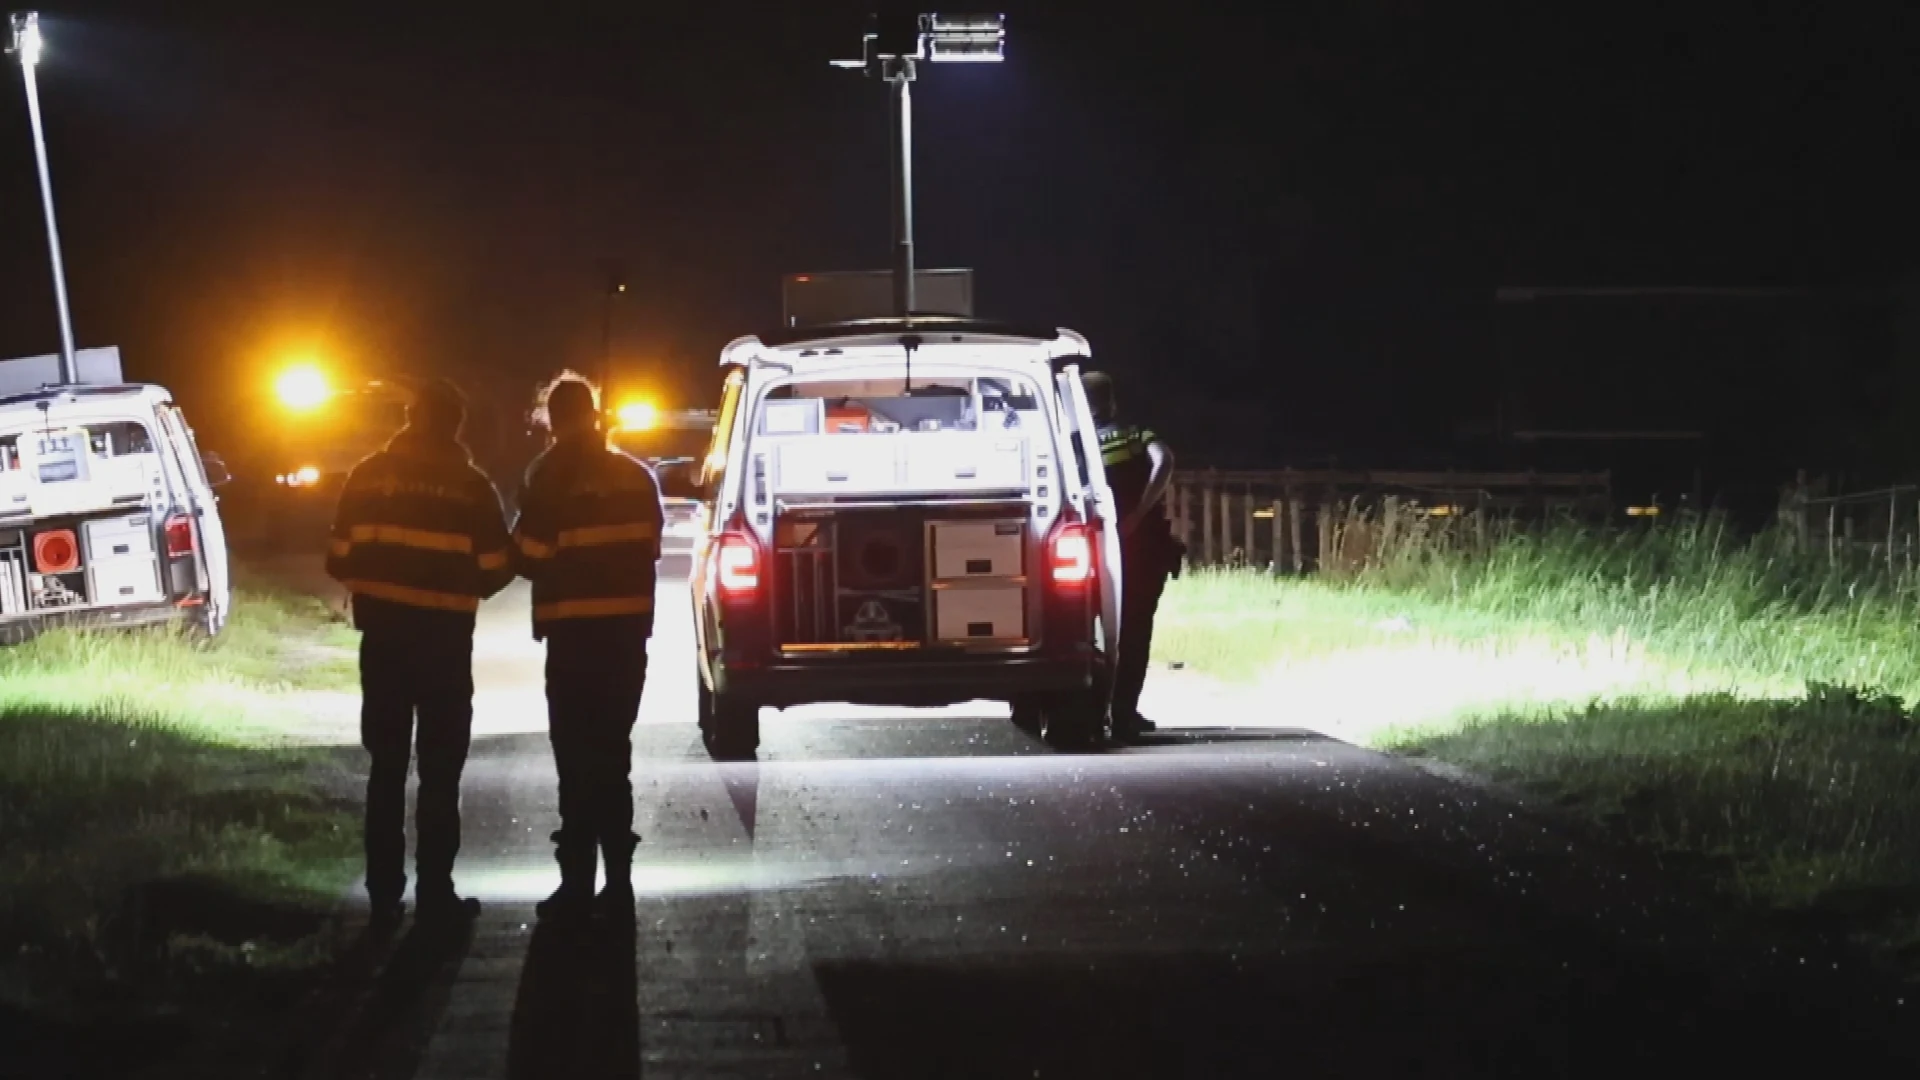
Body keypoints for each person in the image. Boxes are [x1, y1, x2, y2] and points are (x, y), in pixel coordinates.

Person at [325, 378, 515, 930]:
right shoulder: (472, 486)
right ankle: (437, 894)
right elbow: (496, 570)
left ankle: (384, 896)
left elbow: (339, 557)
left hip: (383, 645)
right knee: (440, 773)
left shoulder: (366, 477)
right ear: (455, 425)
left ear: (408, 418)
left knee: (385, 769)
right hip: (444, 648)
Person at [513, 376, 664, 920]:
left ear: (552, 419)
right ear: (595, 414)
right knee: (613, 753)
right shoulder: (636, 476)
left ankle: (576, 883)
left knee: (575, 760)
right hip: (625, 637)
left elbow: (529, 553)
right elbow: (650, 545)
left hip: (572, 638)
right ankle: (619, 883)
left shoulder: (549, 475)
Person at [1082, 370, 1180, 742]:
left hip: (1091, 551)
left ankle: (1092, 711)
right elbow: (1165, 460)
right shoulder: (1135, 434)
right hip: (1141, 548)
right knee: (1135, 633)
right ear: (1111, 401)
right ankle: (1123, 714)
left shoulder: (1078, 442)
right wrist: (1139, 513)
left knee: (1084, 632)